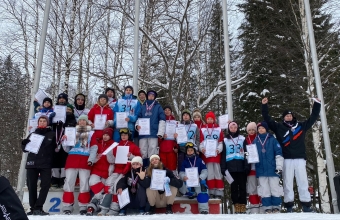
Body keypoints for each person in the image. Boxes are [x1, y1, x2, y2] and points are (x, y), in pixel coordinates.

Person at [261, 97, 321, 212]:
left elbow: (313, 118)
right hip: (286, 159)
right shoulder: (279, 127)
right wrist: (264, 106)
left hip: (300, 159)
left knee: (302, 181)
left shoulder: (301, 126)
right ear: (283, 117)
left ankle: (306, 205)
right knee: (287, 182)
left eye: (290, 115)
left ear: (293, 117)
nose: (288, 117)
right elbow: (267, 120)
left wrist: (317, 104)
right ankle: (289, 206)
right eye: (286, 115)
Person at [98, 128, 142, 216]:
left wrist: (131, 156)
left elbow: (139, 160)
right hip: (116, 170)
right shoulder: (116, 145)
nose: (123, 136)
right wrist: (109, 153)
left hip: (126, 171)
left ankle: (115, 208)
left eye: (125, 135)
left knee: (116, 186)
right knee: (108, 184)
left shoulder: (133, 146)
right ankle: (105, 207)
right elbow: (112, 161)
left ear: (128, 136)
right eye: (122, 135)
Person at [21, 115, 57, 215]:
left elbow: (56, 149)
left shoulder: (52, 134)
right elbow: (25, 149)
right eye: (40, 121)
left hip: (46, 163)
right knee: (31, 185)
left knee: (45, 185)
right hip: (32, 163)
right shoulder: (33, 134)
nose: (42, 123)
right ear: (38, 122)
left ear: (47, 123)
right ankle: (33, 208)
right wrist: (24, 143)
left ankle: (39, 207)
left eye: (44, 121)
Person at [61, 115, 96, 215]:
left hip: (85, 160)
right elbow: (67, 149)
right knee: (69, 182)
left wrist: (91, 159)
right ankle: (67, 205)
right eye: (80, 120)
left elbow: (94, 148)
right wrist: (65, 141)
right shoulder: (71, 132)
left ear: (87, 122)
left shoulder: (91, 133)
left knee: (84, 183)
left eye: (84, 121)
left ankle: (83, 205)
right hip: (72, 159)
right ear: (78, 122)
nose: (82, 122)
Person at [254, 121, 284, 213]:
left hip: (272, 168)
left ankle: (276, 206)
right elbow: (253, 155)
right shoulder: (255, 141)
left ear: (266, 129)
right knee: (264, 188)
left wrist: (279, 166)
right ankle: (267, 207)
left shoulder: (272, 139)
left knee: (274, 187)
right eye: (259, 128)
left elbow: (278, 153)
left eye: (262, 128)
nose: (261, 130)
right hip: (261, 168)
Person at [221, 121, 248, 214]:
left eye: (235, 127)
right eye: (231, 128)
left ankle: (243, 205)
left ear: (237, 128)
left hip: (241, 166)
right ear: (229, 129)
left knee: (243, 187)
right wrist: (223, 168)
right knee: (234, 188)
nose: (233, 129)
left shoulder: (242, 138)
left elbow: (246, 153)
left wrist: (246, 165)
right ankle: (236, 205)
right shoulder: (225, 140)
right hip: (230, 167)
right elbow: (223, 154)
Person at [86, 128, 115, 216]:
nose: (105, 137)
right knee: (92, 182)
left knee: (102, 189)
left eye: (107, 135)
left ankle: (92, 206)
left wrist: (109, 156)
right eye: (104, 135)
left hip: (107, 171)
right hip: (97, 169)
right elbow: (91, 158)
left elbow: (113, 161)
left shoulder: (113, 145)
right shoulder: (97, 144)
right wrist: (96, 158)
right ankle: (103, 199)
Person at [136, 90, 166, 167]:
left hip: (153, 132)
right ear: (147, 96)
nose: (151, 97)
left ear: (154, 97)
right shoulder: (143, 106)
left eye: (153, 96)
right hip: (143, 133)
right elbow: (138, 118)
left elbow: (162, 119)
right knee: (142, 150)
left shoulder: (158, 106)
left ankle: (151, 168)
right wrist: (137, 126)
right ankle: (143, 168)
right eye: (149, 95)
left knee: (152, 150)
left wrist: (160, 132)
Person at [199, 111, 224, 199]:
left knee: (217, 172)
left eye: (211, 119)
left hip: (216, 155)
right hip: (207, 155)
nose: (209, 120)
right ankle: (211, 191)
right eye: (208, 119)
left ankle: (219, 191)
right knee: (209, 173)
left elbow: (221, 142)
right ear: (206, 119)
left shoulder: (218, 129)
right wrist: (202, 149)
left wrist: (218, 149)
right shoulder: (202, 129)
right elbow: (201, 142)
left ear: (214, 119)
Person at [51, 103, 77, 188]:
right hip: (56, 142)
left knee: (64, 161)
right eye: (66, 110)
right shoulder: (57, 120)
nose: (67, 111)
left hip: (67, 144)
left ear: (72, 111)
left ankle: (62, 179)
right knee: (55, 160)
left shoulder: (74, 120)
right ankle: (55, 179)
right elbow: (51, 126)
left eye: (69, 110)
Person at [179, 143, 209, 214]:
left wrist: (201, 177)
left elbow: (205, 171)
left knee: (203, 191)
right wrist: (183, 177)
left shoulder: (199, 160)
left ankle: (203, 210)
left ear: (194, 151)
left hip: (198, 181)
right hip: (188, 182)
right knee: (180, 183)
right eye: (188, 150)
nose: (189, 152)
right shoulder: (184, 161)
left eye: (191, 150)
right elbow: (181, 172)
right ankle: (191, 193)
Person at [244, 122, 261, 214]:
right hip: (250, 168)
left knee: (261, 187)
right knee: (252, 188)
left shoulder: (259, 139)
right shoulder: (245, 140)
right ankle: (254, 207)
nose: (251, 131)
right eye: (249, 130)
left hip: (259, 167)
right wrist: (247, 155)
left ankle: (262, 206)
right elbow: (244, 152)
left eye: (253, 130)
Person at [176, 109, 200, 174]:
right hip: (182, 149)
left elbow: (198, 138)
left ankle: (193, 182)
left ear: (189, 116)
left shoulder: (194, 126)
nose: (185, 116)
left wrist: (197, 148)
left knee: (192, 166)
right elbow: (176, 139)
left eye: (187, 115)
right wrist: (176, 137)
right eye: (184, 115)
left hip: (192, 149)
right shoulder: (179, 126)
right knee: (181, 166)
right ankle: (182, 181)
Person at [159, 105, 178, 174]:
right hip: (163, 146)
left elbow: (178, 136)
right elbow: (158, 136)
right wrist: (161, 136)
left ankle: (172, 180)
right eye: (165, 110)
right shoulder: (160, 121)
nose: (167, 111)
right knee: (163, 164)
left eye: (169, 110)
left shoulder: (175, 122)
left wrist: (176, 146)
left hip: (172, 147)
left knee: (172, 164)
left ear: (171, 111)